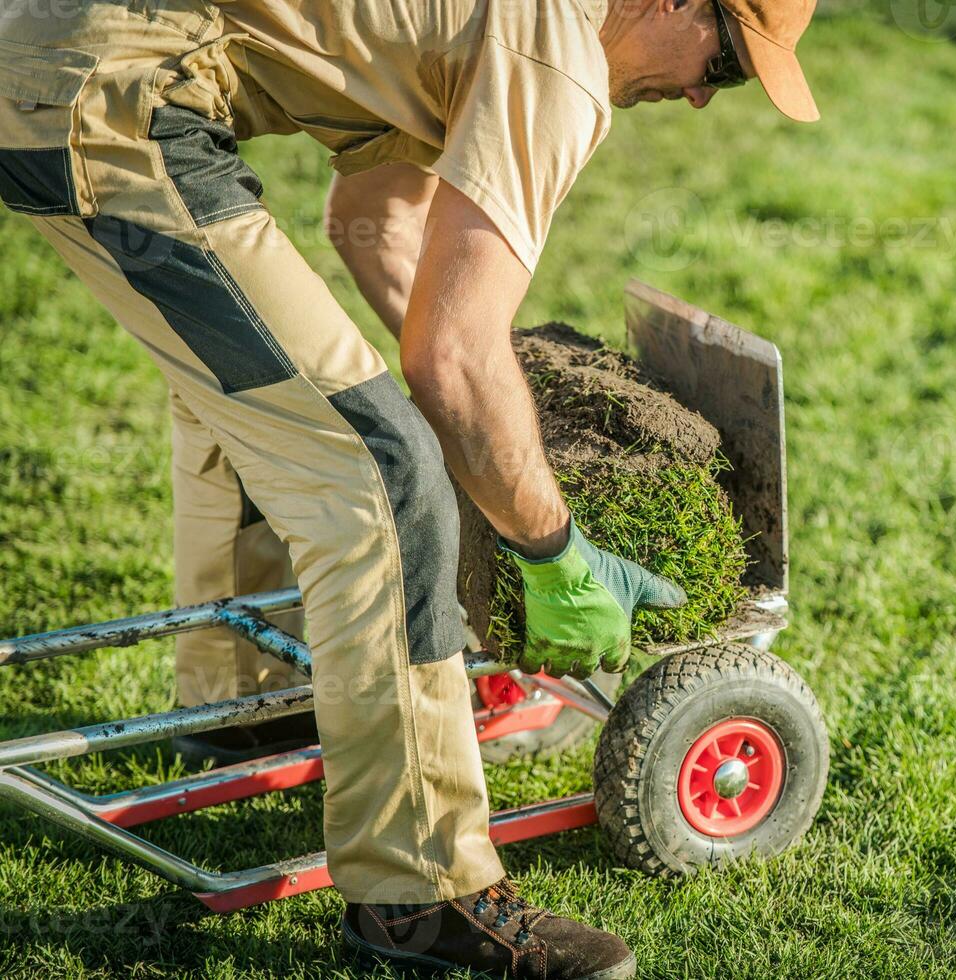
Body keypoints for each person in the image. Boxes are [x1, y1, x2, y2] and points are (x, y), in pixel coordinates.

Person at [0, 0, 819, 974]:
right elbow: (452, 352)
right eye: (721, 64)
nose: (695, 98)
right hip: (110, 95)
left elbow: (373, 222)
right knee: (382, 475)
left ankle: (246, 702)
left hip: (70, 64)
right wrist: (550, 543)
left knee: (272, 397)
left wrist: (494, 422)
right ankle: (423, 892)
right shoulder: (555, 52)